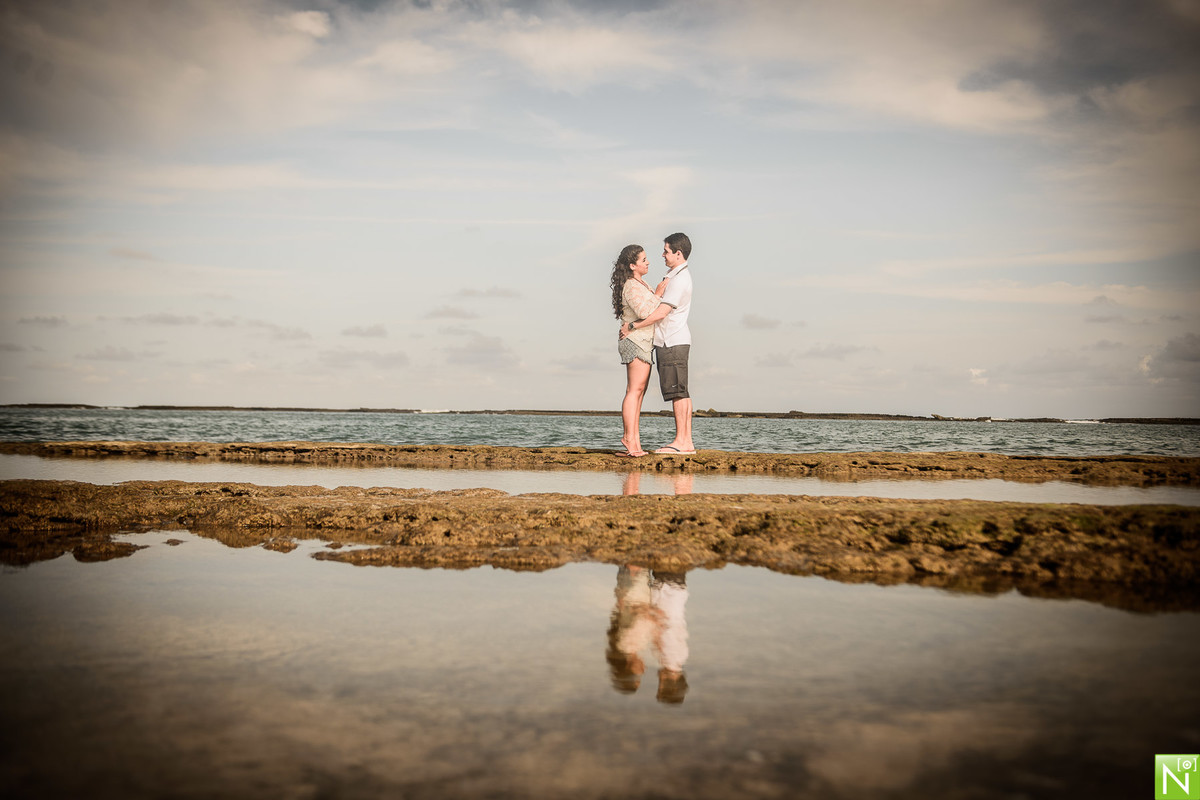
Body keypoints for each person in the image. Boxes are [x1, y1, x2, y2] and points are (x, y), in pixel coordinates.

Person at [619, 232, 695, 455]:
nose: (661, 255)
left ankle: (683, 442)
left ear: (678, 253)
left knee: (678, 392)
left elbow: (660, 312)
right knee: (678, 391)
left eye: (666, 251)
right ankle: (683, 440)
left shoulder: (679, 279)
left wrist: (632, 326)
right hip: (666, 341)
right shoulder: (672, 277)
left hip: (672, 340)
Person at [610, 244, 665, 457]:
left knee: (638, 392)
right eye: (643, 260)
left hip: (642, 341)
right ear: (633, 265)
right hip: (634, 341)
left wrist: (656, 292)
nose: (648, 262)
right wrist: (659, 293)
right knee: (634, 391)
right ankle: (629, 439)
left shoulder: (640, 283)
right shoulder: (632, 286)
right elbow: (645, 311)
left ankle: (635, 442)